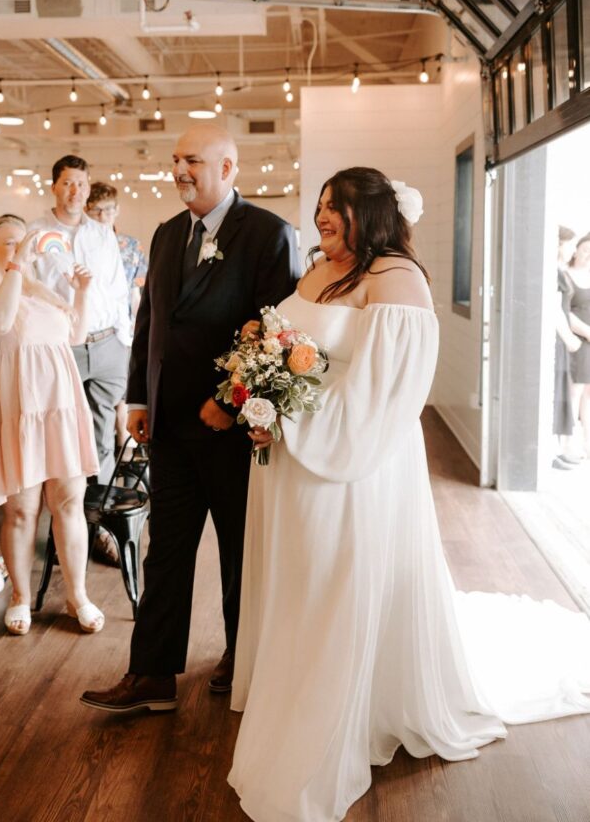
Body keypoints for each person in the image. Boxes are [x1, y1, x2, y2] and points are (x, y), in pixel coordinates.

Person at [225, 167, 590, 822]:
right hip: (292, 460)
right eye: (319, 206)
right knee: (302, 580)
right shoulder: (321, 270)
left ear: (372, 213)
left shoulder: (398, 281)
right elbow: (289, 345)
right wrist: (260, 380)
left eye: (335, 206)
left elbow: (383, 394)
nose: (322, 217)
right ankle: (294, 686)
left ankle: (340, 705)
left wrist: (286, 409)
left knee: (333, 583)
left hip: (348, 466)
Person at [80, 122, 300, 713]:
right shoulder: (166, 232)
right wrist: (138, 397)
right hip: (169, 427)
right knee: (165, 551)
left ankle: (240, 654)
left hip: (230, 432)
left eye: (192, 160)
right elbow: (150, 322)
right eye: (175, 159)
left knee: (237, 551)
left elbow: (278, 335)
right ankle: (151, 675)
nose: (178, 170)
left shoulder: (270, 235)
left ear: (227, 169)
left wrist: (230, 401)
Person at [0, 215, 104, 636]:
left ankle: (78, 595)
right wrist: (18, 266)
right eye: (10, 242)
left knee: (70, 502)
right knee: (21, 510)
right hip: (14, 413)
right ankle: (20, 596)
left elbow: (75, 334)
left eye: (25, 242)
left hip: (59, 408)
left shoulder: (38, 290)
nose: (22, 248)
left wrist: (82, 293)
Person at [30, 157, 130, 486]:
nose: (76, 191)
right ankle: (64, 516)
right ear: (54, 187)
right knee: (60, 430)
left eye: (82, 184)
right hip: (60, 346)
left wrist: (123, 341)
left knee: (103, 434)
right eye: (68, 183)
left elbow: (119, 289)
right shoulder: (36, 233)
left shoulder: (102, 235)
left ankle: (96, 515)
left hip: (106, 345)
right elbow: (29, 293)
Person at [86, 182, 149, 448]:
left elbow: (137, 295)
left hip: (122, 327)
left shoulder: (130, 246)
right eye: (96, 210)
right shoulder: (81, 244)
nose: (102, 216)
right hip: (90, 327)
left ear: (117, 210)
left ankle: (125, 446)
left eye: (108, 210)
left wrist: (136, 332)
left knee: (124, 391)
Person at [553, 226, 581, 469]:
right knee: (557, 393)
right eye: (570, 244)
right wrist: (569, 338)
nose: (572, 249)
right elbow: (555, 310)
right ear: (559, 244)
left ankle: (559, 449)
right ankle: (553, 451)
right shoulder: (555, 273)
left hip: (562, 342)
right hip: (558, 341)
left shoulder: (561, 272)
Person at [567, 233, 590, 459]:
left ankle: (587, 441)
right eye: (585, 250)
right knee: (574, 392)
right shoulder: (567, 275)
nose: (587, 255)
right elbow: (566, 312)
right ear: (576, 249)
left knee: (588, 395)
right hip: (579, 342)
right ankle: (570, 442)